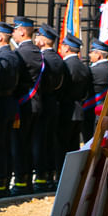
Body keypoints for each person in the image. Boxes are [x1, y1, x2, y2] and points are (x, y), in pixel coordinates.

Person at [10, 16, 42, 196]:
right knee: (30, 144)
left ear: (22, 31)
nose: (13, 33)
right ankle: (27, 179)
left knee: (20, 145)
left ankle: (21, 182)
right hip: (36, 103)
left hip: (23, 105)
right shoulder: (37, 52)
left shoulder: (20, 53)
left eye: (15, 29)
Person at [0, 20, 20, 199]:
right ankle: (5, 181)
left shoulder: (2, 58)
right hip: (10, 103)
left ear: (0, 36)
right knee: (6, 144)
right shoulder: (14, 56)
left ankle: (0, 184)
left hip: (1, 103)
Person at [33, 23, 64, 192]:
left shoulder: (43, 59)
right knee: (50, 141)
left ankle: (41, 177)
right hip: (54, 103)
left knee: (40, 141)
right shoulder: (58, 58)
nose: (36, 39)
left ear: (44, 41)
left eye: (38, 36)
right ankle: (50, 175)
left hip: (44, 103)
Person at [56, 33, 91, 175]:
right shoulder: (84, 67)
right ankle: (72, 175)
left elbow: (62, 89)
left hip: (66, 110)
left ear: (66, 48)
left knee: (62, 145)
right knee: (73, 146)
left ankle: (61, 174)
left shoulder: (66, 65)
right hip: (79, 110)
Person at [85, 38, 108, 142]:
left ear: (98, 55)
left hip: (92, 113)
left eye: (91, 52)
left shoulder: (92, 70)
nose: (89, 55)